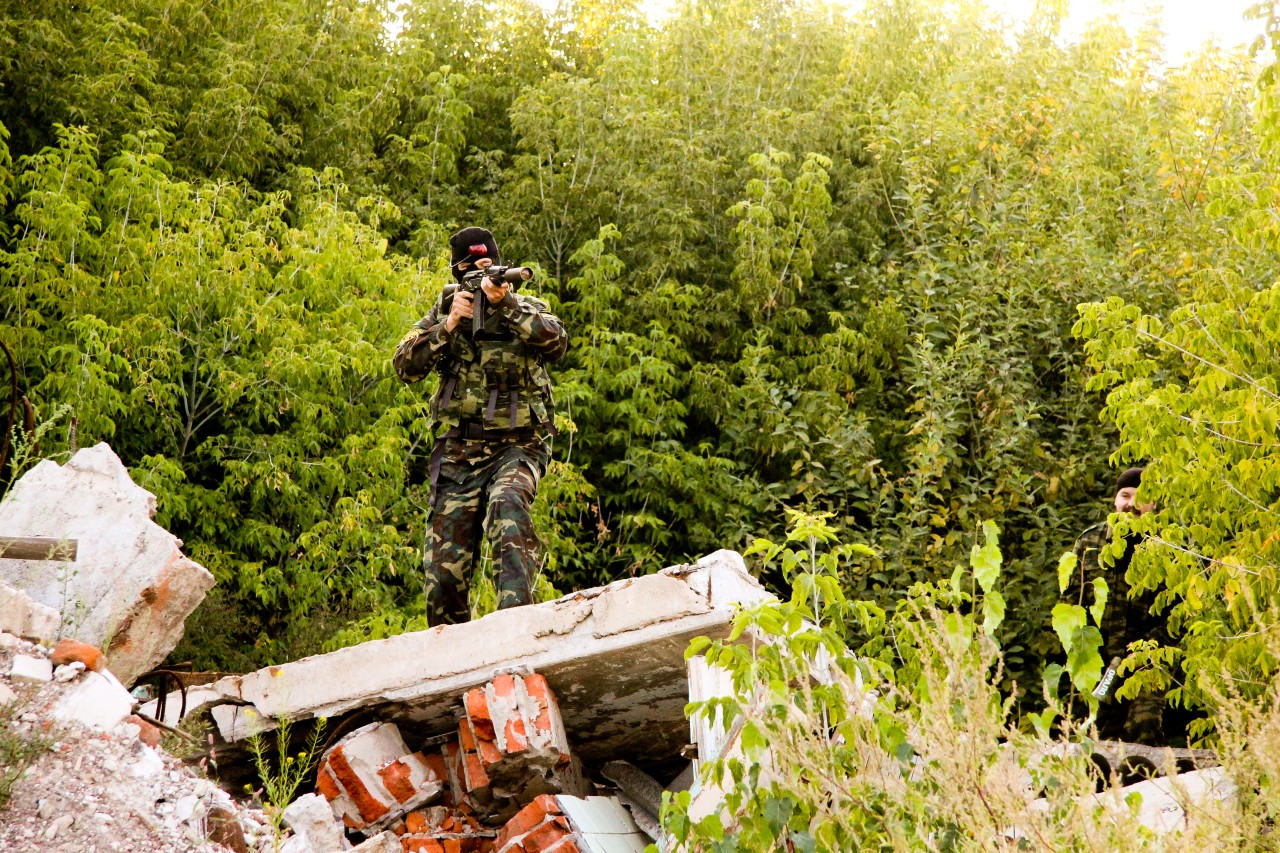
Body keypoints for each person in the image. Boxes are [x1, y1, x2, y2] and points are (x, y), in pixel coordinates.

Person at [393, 227, 568, 625]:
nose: (485, 274)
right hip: (459, 453)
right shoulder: (444, 311)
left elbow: (557, 343)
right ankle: (450, 654)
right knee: (443, 575)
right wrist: (449, 324)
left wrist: (508, 307)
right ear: (458, 273)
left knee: (508, 506)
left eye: (490, 265)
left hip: (518, 446)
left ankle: (515, 628)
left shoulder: (527, 307)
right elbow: (404, 367)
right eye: (474, 268)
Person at [1065, 466, 1168, 744]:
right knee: (1086, 734)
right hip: (1096, 662)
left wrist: (1142, 651)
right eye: (1125, 495)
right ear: (1115, 500)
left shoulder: (1168, 548)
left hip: (1147, 664)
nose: (1131, 503)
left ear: (1153, 505)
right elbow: (1071, 604)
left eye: (1141, 497)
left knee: (1145, 727)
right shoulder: (1089, 542)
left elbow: (1177, 618)